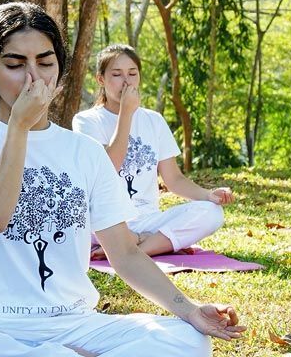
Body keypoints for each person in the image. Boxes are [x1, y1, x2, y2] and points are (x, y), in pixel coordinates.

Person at [0, 3, 244, 357]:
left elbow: (124, 252)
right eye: (15, 64)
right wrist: (18, 128)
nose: (33, 77)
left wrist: (189, 310)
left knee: (190, 346)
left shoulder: (84, 151)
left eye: (45, 62)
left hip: (74, 324)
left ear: (60, 69)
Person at [72, 44, 233, 259]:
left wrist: (208, 195)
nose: (126, 81)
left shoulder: (153, 120)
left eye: (132, 73)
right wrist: (126, 114)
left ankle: (134, 249)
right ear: (100, 79)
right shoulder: (86, 121)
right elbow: (107, 171)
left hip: (147, 219)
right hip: (104, 222)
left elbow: (174, 179)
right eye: (117, 74)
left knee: (212, 213)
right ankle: (146, 242)